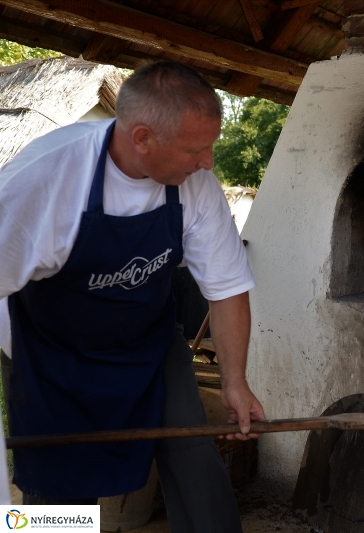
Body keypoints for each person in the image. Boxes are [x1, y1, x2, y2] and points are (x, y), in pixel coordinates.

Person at [0, 60, 265, 531]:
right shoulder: (43, 181)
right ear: (143, 138)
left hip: (148, 345)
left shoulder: (195, 187)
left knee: (194, 457)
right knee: (56, 491)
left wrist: (234, 381)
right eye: (196, 149)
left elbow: (227, 287)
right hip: (49, 354)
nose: (208, 162)